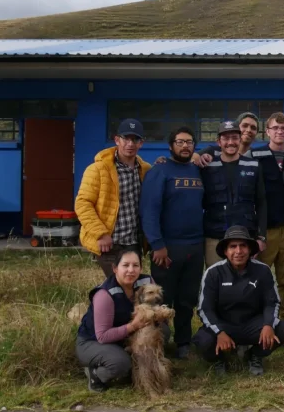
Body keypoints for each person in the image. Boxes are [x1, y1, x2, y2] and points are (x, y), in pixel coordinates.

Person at [140, 126, 205, 359]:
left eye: (189, 142)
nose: (185, 146)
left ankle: (183, 343)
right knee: (162, 299)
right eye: (180, 142)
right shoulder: (159, 171)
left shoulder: (198, 170)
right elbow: (149, 211)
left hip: (195, 246)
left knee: (187, 299)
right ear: (170, 146)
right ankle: (157, 344)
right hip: (167, 248)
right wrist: (157, 244)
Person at [194, 226, 284, 376]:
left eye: (243, 246)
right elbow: (205, 308)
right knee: (203, 340)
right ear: (225, 251)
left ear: (250, 249)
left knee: (282, 329)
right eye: (233, 246)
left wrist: (267, 325)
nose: (238, 251)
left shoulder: (263, 270)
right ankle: (219, 358)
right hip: (224, 324)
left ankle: (254, 356)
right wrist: (219, 332)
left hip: (252, 324)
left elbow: (272, 302)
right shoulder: (213, 272)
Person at [75, 118, 151, 277]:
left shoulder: (145, 170)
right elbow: (83, 204)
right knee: (116, 285)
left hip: (134, 242)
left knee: (131, 285)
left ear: (141, 143)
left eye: (135, 139)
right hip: (109, 243)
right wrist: (101, 234)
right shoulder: (98, 169)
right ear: (117, 140)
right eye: (126, 139)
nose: (130, 144)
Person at [75, 248, 157, 391]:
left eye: (135, 265)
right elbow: (103, 336)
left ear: (141, 268)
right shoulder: (104, 294)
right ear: (115, 268)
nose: (131, 270)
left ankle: (143, 366)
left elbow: (155, 308)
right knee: (121, 364)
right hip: (93, 342)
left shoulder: (147, 282)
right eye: (125, 265)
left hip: (122, 336)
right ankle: (96, 374)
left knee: (163, 331)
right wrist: (133, 326)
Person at [251, 112, 284, 327]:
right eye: (275, 128)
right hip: (266, 229)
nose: (279, 132)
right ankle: (257, 320)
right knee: (258, 277)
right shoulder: (255, 155)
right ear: (267, 131)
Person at [200, 120, 267, 268]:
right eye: (226, 138)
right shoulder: (206, 166)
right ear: (218, 142)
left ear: (240, 139)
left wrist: (261, 237)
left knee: (246, 279)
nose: (230, 142)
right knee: (216, 276)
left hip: (246, 237)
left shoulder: (254, 166)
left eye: (235, 138)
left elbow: (261, 203)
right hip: (215, 236)